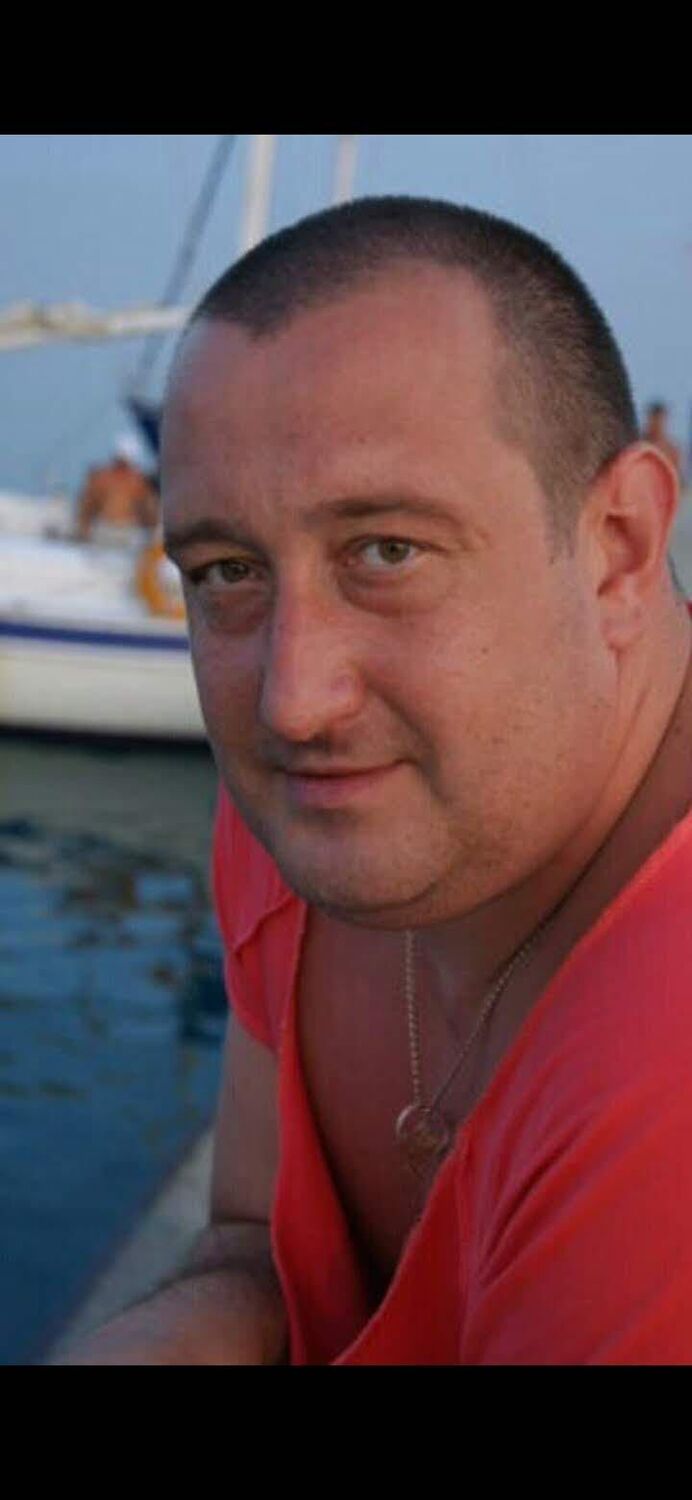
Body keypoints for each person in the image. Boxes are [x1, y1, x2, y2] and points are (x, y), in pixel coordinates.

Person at [58, 197, 692, 1365]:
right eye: (228, 571)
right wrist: (171, 1331)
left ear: (617, 547)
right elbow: (254, 1243)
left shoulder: (664, 1088)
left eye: (386, 552)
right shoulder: (321, 813)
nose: (292, 701)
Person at [75, 434, 159, 541]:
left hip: (129, 532)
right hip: (105, 530)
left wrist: (153, 532)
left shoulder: (139, 482)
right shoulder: (102, 477)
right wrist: (83, 528)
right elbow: (87, 505)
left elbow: (149, 510)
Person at [642, 401, 683, 479]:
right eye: (654, 419)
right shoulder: (638, 445)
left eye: (660, 420)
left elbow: (678, 476)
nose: (657, 424)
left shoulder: (672, 450)